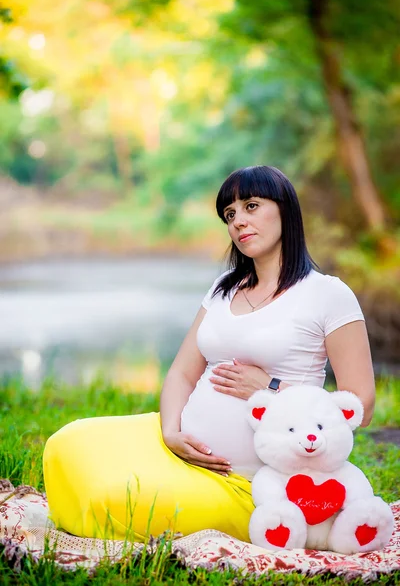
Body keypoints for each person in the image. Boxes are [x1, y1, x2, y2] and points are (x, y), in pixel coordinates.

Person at [43, 166, 375, 543]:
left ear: (286, 210)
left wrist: (272, 389)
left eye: (251, 206)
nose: (238, 222)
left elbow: (361, 404)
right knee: (67, 444)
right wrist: (171, 432)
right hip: (178, 448)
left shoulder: (327, 294)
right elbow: (182, 373)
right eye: (230, 215)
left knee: (113, 500)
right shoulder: (223, 287)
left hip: (252, 482)